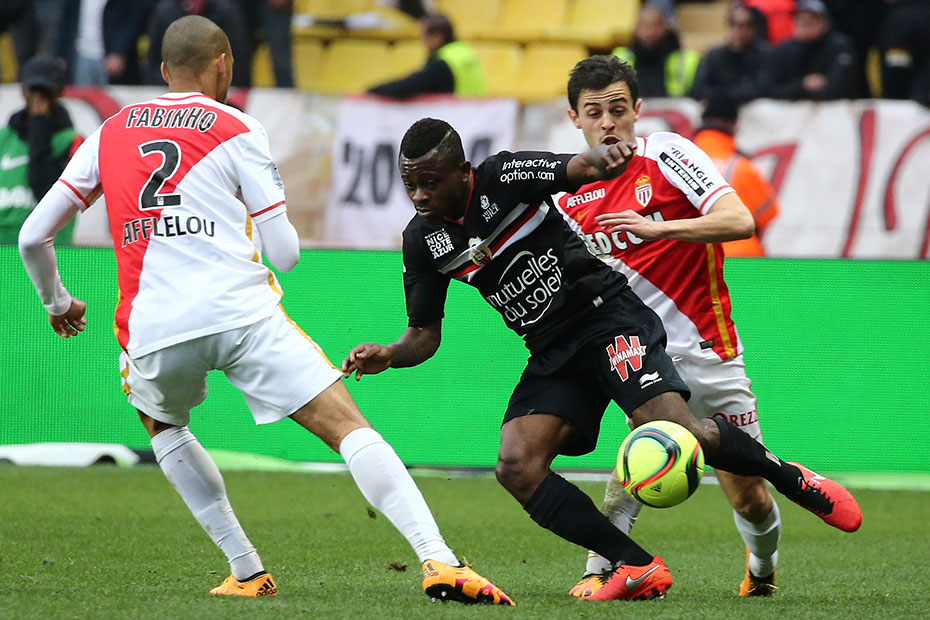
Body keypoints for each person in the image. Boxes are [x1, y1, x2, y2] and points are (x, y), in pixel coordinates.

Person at [18, 15, 513, 605]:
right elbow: (286, 254)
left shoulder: (108, 133)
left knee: (163, 425)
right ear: (224, 63)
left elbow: (32, 236)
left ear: (163, 70)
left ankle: (246, 570)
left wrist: (58, 302)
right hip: (241, 313)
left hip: (154, 326)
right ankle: (439, 560)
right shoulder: (238, 127)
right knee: (347, 427)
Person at [341, 115, 862, 601]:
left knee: (679, 431)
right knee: (516, 466)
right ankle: (636, 565)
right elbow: (424, 334)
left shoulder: (503, 176)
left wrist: (603, 158)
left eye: (430, 182)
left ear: (462, 170)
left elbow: (575, 167)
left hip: (607, 318)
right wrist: (390, 353)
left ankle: (792, 479)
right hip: (552, 350)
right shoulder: (422, 240)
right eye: (410, 185)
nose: (419, 195)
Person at [555, 54, 784, 601]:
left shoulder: (667, 154)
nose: (608, 123)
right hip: (639, 354)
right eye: (594, 113)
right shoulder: (565, 196)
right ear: (575, 119)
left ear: (637, 109)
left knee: (749, 496)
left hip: (708, 349)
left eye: (618, 109)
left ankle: (762, 567)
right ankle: (599, 570)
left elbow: (740, 220)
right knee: (635, 464)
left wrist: (656, 228)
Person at [0, 56, 82, 245]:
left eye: (45, 92)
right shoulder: (3, 137)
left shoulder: (72, 141)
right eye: (34, 90)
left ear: (59, 94)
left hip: (48, 248)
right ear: (22, 90)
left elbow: (46, 193)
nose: (38, 98)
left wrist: (39, 126)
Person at [692, 96, 780, 257]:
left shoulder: (675, 162)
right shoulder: (742, 167)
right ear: (734, 124)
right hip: (739, 257)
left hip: (691, 256)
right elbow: (769, 214)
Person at [367, 13, 487, 99]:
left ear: (437, 37)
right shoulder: (465, 51)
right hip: (474, 114)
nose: (422, 42)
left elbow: (411, 85)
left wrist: (373, 91)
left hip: (455, 115)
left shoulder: (442, 63)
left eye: (424, 36)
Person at [769, 0, 858, 100]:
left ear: (824, 23)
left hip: (834, 106)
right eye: (799, 20)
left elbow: (838, 87)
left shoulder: (839, 46)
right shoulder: (785, 48)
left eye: (809, 22)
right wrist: (803, 84)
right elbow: (769, 88)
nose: (803, 26)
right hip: (791, 105)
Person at [691, 4, 775, 105]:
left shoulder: (765, 54)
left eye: (743, 25)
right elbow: (698, 89)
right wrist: (727, 95)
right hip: (720, 107)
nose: (737, 30)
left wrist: (721, 94)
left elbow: (760, 90)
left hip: (751, 108)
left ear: (753, 28)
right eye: (732, 24)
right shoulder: (714, 55)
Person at [611, 4, 700, 98]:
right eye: (642, 26)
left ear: (666, 27)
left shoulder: (688, 59)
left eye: (655, 26)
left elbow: (698, 96)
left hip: (674, 106)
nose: (648, 32)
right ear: (635, 29)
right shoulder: (620, 58)